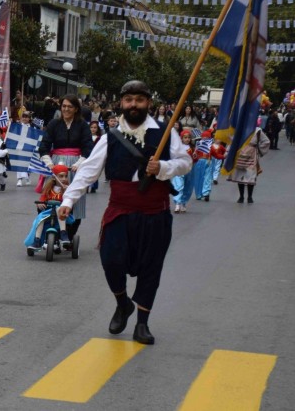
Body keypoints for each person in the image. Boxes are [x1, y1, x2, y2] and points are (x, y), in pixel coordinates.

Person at [57, 80, 192, 345]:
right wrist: (68, 200)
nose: (133, 105)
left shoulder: (165, 132)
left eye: (139, 100)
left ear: (148, 103)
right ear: (122, 103)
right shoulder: (111, 136)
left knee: (151, 267)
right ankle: (123, 303)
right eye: (129, 100)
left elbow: (186, 162)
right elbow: (88, 170)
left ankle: (143, 323)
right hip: (120, 209)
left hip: (155, 212)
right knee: (111, 260)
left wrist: (163, 168)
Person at [38, 95, 93, 243]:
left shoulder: (82, 125)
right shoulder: (54, 124)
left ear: (76, 109)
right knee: (51, 198)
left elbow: (88, 147)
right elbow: (44, 146)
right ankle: (51, 232)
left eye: (69, 106)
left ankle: (68, 235)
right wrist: (50, 164)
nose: (66, 109)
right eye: (64, 106)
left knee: (76, 200)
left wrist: (79, 163)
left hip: (76, 166)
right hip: (57, 165)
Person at [227, 126, 270, 204]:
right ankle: (241, 196)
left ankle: (250, 196)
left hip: (252, 154)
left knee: (251, 176)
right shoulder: (240, 127)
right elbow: (232, 139)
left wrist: (258, 149)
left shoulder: (257, 130)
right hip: (240, 153)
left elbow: (266, 141)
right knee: (240, 175)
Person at [171, 130, 195, 213]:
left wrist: (195, 157)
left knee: (188, 187)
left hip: (189, 169)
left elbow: (194, 159)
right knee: (179, 186)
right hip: (179, 169)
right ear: (181, 138)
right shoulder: (178, 148)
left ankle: (183, 202)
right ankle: (177, 204)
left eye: (189, 137)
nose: (187, 139)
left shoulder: (192, 148)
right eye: (185, 137)